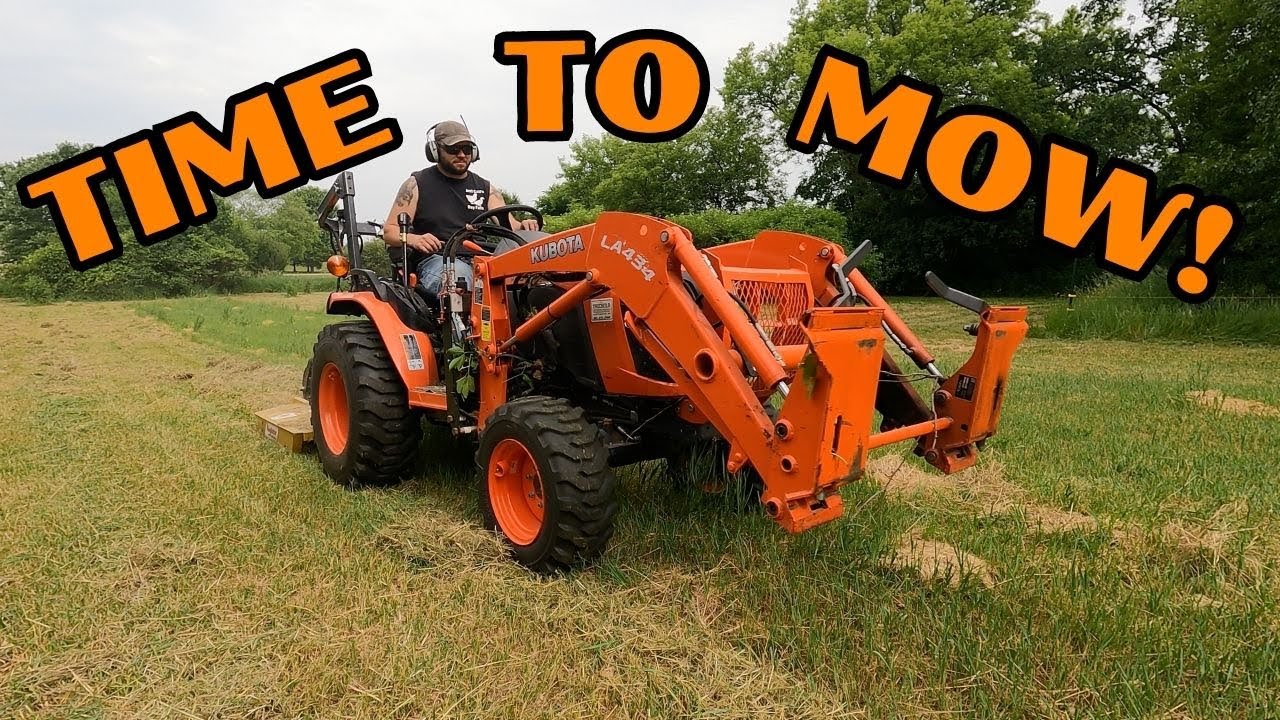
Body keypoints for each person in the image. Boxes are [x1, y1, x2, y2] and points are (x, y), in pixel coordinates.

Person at [382, 119, 538, 297]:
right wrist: (414, 239)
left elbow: (511, 226)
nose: (462, 154)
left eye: (467, 149)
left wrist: (525, 225)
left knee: (536, 279)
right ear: (435, 151)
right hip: (438, 259)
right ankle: (463, 323)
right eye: (454, 149)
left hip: (483, 259)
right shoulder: (416, 184)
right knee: (461, 278)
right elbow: (389, 231)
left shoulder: (486, 188)